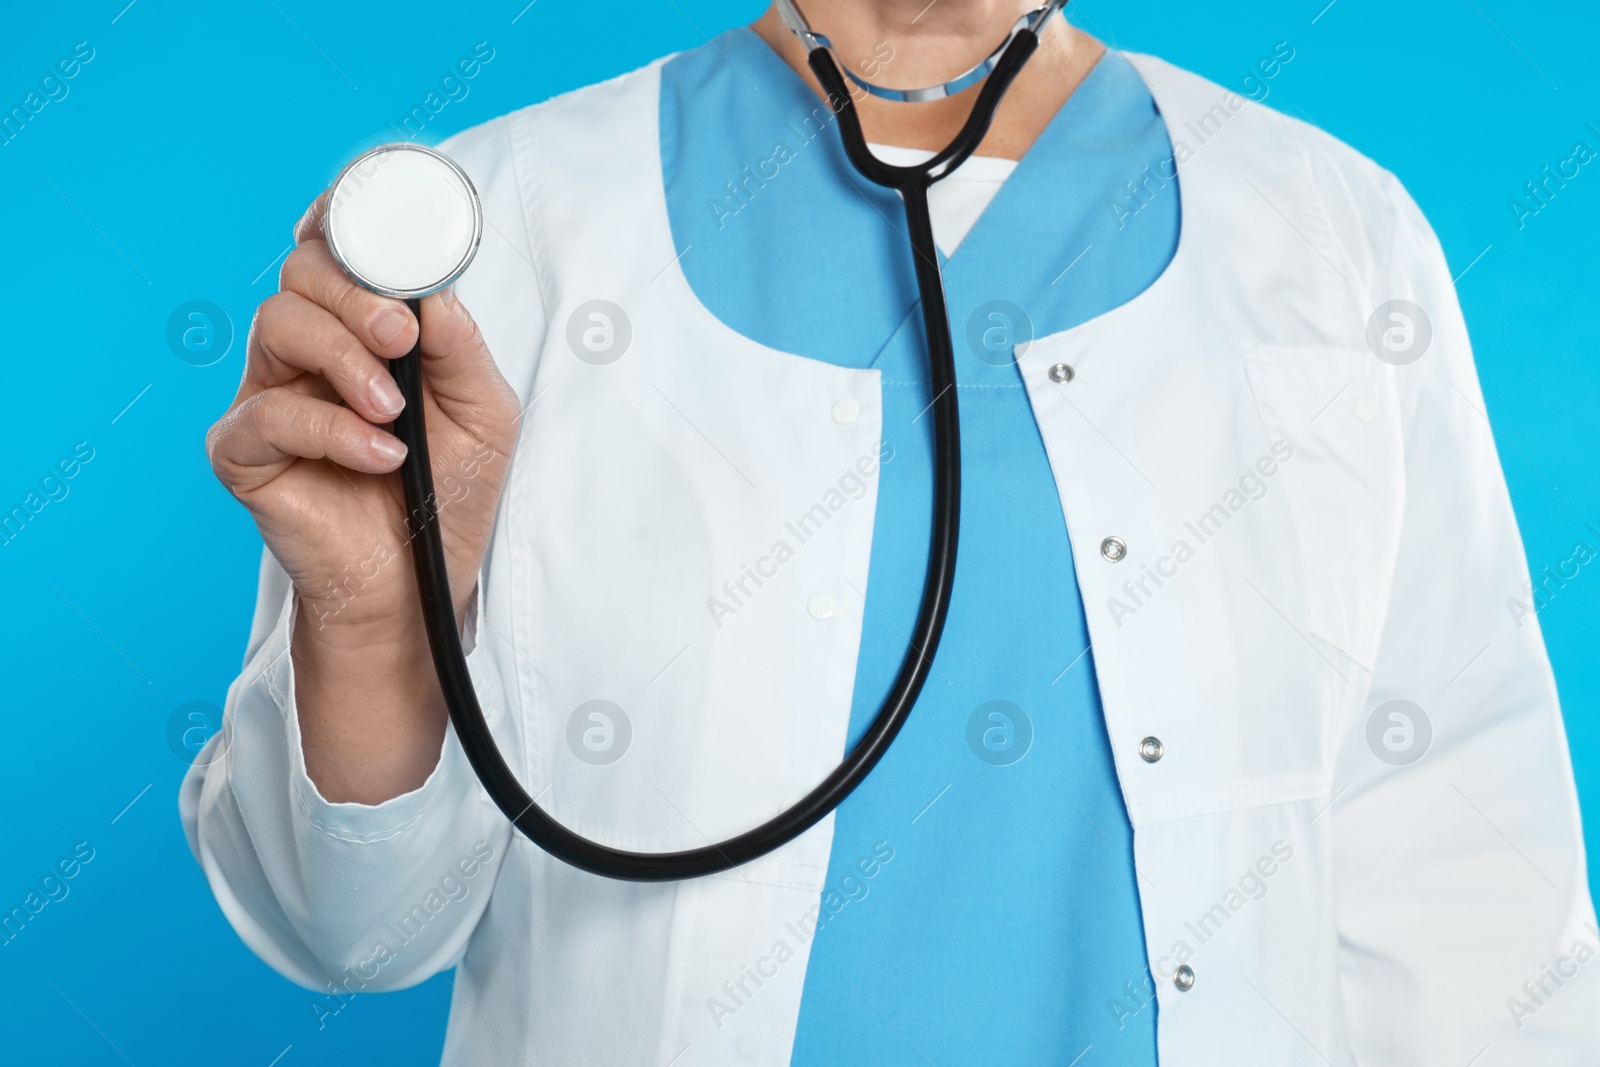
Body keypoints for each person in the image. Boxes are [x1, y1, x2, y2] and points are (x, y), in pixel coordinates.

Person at [182, 1, 1600, 1063]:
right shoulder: (507, 236)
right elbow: (350, 934)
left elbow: (1474, 918)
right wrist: (372, 624)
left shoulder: (1328, 234)